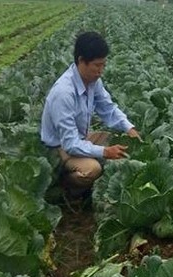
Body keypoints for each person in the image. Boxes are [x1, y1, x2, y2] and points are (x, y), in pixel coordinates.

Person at [40, 31, 140, 197]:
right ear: (81, 61)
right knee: (93, 169)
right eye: (97, 65)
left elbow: (108, 108)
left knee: (119, 142)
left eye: (103, 65)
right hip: (59, 149)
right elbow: (70, 144)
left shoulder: (93, 81)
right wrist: (105, 152)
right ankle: (62, 184)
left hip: (80, 138)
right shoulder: (64, 93)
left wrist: (129, 128)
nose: (101, 71)